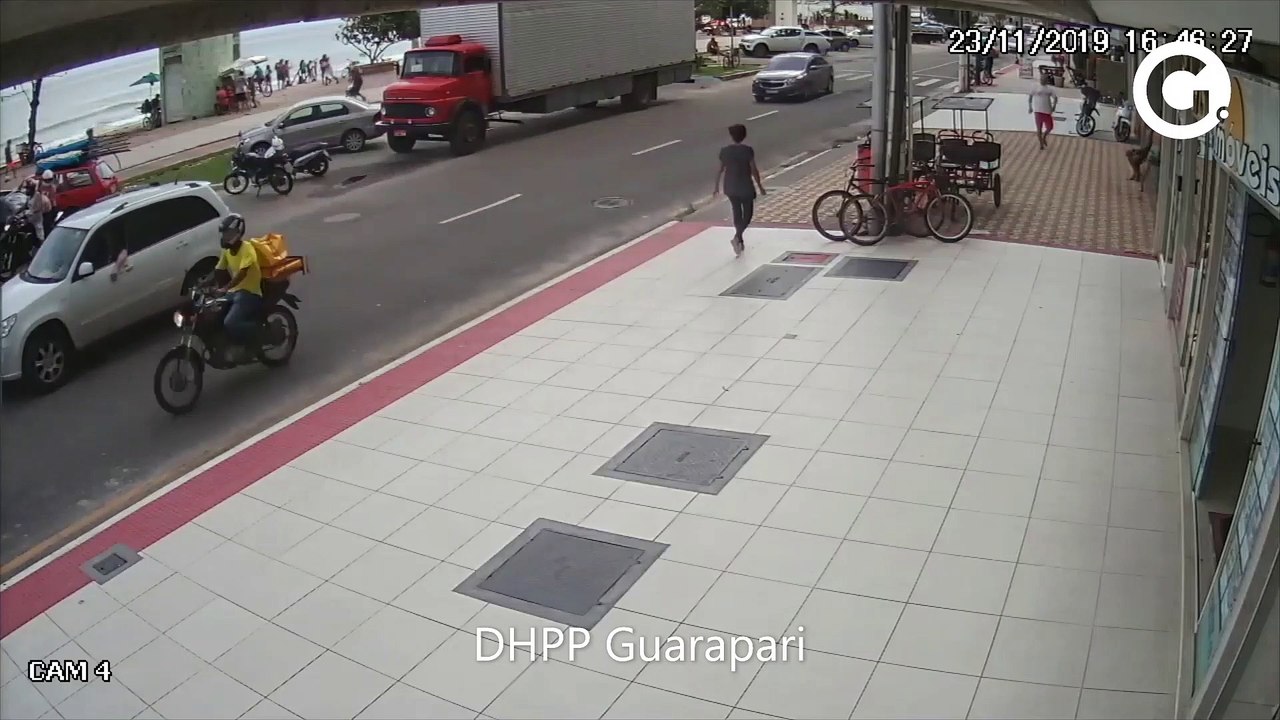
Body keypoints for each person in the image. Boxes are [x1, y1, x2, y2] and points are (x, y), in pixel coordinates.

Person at [213, 214, 263, 361]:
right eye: (224, 234)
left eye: (228, 234)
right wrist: (203, 284)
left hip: (250, 293)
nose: (225, 237)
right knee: (214, 314)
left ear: (237, 233)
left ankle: (255, 338)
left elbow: (242, 273)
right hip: (234, 292)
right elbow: (219, 269)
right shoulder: (226, 251)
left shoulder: (247, 249)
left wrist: (225, 288)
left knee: (231, 322)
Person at [714, 123, 767, 257]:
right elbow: (754, 170)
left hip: (730, 186)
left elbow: (720, 170)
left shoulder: (724, 151)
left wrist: (716, 187)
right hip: (745, 186)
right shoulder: (747, 150)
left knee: (737, 213)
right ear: (744, 135)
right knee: (747, 215)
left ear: (731, 136)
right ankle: (737, 237)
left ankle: (739, 240)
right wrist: (760, 186)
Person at [1028, 73, 1058, 150]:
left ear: (1047, 80)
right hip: (1038, 111)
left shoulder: (1050, 89)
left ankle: (1044, 136)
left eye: (1044, 79)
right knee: (1039, 129)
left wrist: (1054, 106)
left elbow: (1055, 98)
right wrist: (1030, 107)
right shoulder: (1035, 86)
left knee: (1050, 127)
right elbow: (1030, 97)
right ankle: (1041, 144)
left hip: (1047, 111)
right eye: (1041, 79)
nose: (1042, 80)